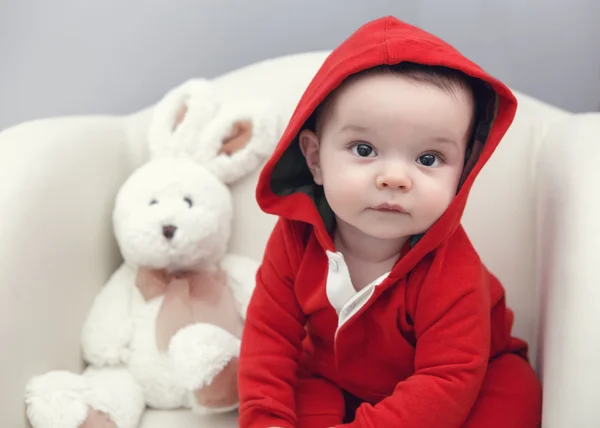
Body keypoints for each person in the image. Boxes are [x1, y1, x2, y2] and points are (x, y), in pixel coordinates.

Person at [237, 15, 542, 428]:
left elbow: (446, 380)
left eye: (428, 159)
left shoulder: (452, 267)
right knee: (299, 393)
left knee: (513, 395)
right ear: (314, 159)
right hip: (336, 374)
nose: (395, 178)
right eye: (364, 149)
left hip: (466, 376)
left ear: (463, 169)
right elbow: (269, 337)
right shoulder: (296, 238)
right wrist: (265, 417)